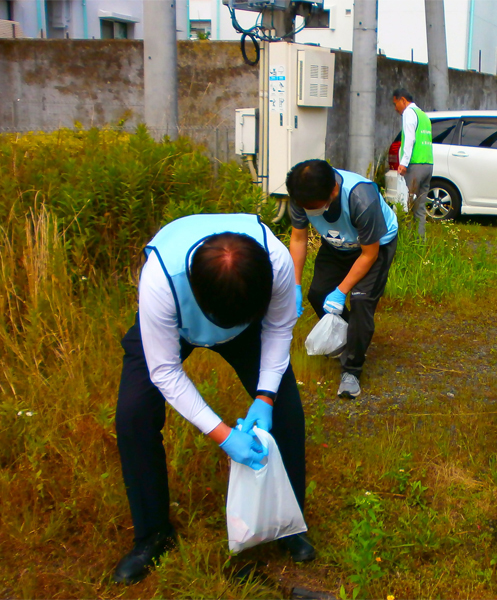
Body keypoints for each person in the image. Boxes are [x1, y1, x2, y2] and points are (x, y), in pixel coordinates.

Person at [113, 213, 314, 585]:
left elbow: (278, 328)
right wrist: (222, 433)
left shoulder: (277, 263)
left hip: (248, 323)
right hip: (177, 326)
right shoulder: (161, 281)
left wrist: (265, 398)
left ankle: (289, 522)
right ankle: (153, 536)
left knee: (287, 412)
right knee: (133, 418)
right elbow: (165, 372)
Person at [286, 159, 398, 399]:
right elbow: (297, 239)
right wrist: (294, 284)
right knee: (317, 294)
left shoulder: (361, 198)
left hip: (375, 245)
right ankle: (351, 340)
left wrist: (342, 290)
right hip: (337, 244)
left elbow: (370, 254)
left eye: (314, 207)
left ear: (333, 192)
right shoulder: (301, 195)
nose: (309, 211)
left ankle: (352, 370)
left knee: (361, 301)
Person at [392, 88, 433, 239]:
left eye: (395, 103)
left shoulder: (409, 113)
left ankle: (405, 241)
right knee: (420, 209)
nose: (395, 108)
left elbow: (409, 139)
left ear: (403, 100)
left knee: (405, 206)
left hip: (415, 166)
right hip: (428, 164)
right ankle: (419, 243)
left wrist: (403, 163)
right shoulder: (423, 115)